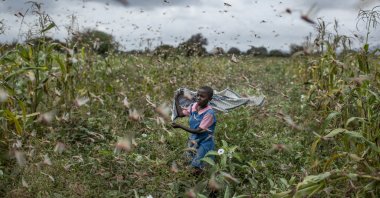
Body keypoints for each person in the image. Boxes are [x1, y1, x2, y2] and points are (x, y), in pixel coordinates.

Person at [171, 86, 216, 175]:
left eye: (202, 96)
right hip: (194, 140)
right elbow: (180, 114)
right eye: (198, 95)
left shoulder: (209, 113)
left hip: (205, 142)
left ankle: (201, 182)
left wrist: (180, 126)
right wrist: (176, 98)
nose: (199, 98)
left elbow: (199, 130)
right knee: (187, 161)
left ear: (210, 99)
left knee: (197, 165)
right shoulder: (194, 106)